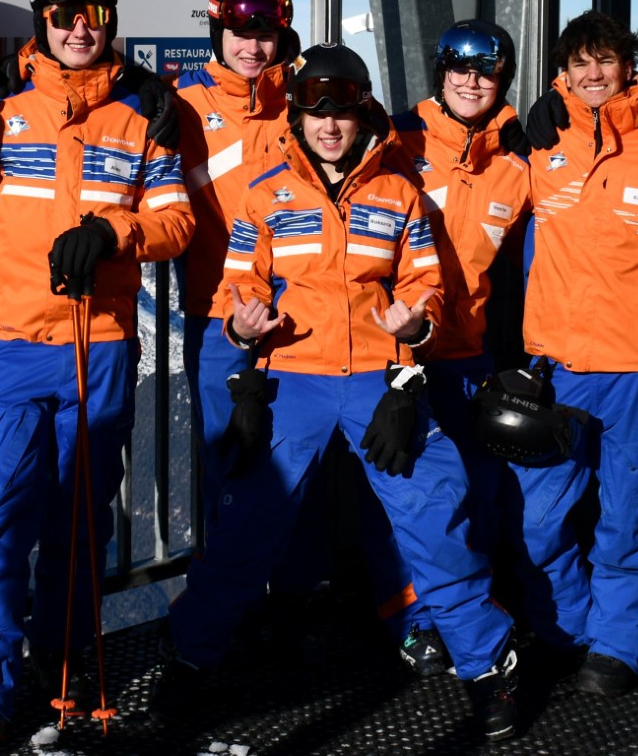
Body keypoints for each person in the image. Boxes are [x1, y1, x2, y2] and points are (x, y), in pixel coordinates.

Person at [151, 45, 525, 742]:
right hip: (294, 378)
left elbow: (426, 287)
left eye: (342, 112)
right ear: (297, 116)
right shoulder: (268, 193)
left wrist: (412, 339)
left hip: (380, 383)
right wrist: (240, 323)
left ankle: (487, 666)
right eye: (316, 112)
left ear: (362, 115)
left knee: (437, 520)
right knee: (247, 525)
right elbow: (243, 281)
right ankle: (190, 660)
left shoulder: (399, 193)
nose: (329, 126)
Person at [0, 0, 194, 741]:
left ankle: (61, 658)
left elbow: (175, 223)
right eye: (64, 14)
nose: (79, 27)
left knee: (78, 518)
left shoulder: (148, 107)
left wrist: (114, 231)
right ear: (41, 18)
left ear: (109, 19)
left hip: (99, 345)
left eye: (92, 13)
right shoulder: (1, 98)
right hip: (14, 343)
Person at [505, 11, 638, 696]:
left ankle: (617, 645)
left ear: (627, 66)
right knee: (538, 522)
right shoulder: (539, 145)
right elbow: (466, 185)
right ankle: (566, 627)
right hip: (558, 367)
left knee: (627, 520)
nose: (593, 74)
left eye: (605, 60)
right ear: (563, 71)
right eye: (580, 62)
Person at [379, 19, 532, 676]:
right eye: (459, 66)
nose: (472, 80)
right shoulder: (395, 139)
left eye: (488, 69)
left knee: (474, 496)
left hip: (470, 352)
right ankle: (414, 620)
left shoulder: (517, 164)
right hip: (398, 352)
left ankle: (468, 612)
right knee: (407, 497)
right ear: (440, 71)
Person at [172, 0, 299, 522]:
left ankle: (294, 595)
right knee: (227, 466)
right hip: (218, 312)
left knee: (298, 464)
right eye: (239, 33)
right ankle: (226, 603)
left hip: (303, 313)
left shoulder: (305, 102)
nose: (252, 48)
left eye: (265, 35)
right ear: (218, 33)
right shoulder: (180, 105)